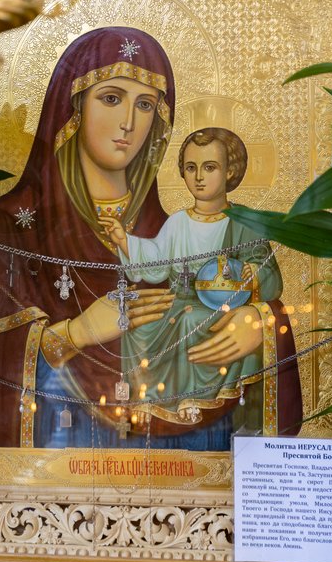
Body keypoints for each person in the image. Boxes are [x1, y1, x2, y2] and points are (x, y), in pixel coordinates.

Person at [0, 27, 302, 450]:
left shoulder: (174, 228)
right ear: (73, 107)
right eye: (111, 98)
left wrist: (260, 323)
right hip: (63, 450)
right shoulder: (8, 225)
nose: (128, 123)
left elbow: (248, 288)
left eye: (144, 105)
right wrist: (76, 333)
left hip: (186, 446)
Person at [99, 128, 282, 432]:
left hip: (221, 307)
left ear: (230, 171)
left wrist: (253, 273)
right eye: (191, 167)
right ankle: (149, 400)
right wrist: (124, 241)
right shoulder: (178, 222)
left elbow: (271, 276)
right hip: (179, 300)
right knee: (138, 327)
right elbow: (156, 262)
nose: (199, 177)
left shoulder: (246, 222)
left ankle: (192, 397)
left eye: (209, 167)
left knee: (189, 320)